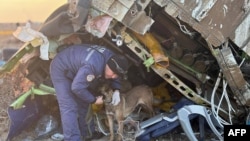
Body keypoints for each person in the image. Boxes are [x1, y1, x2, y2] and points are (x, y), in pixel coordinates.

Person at [50, 44, 129, 141]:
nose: (113, 77)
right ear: (108, 65)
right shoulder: (93, 66)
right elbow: (77, 87)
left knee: (83, 101)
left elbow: (116, 74)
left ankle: (87, 133)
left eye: (116, 75)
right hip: (61, 68)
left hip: (77, 66)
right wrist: (94, 100)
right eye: (113, 74)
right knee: (69, 106)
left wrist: (117, 89)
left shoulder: (113, 58)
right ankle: (72, 139)